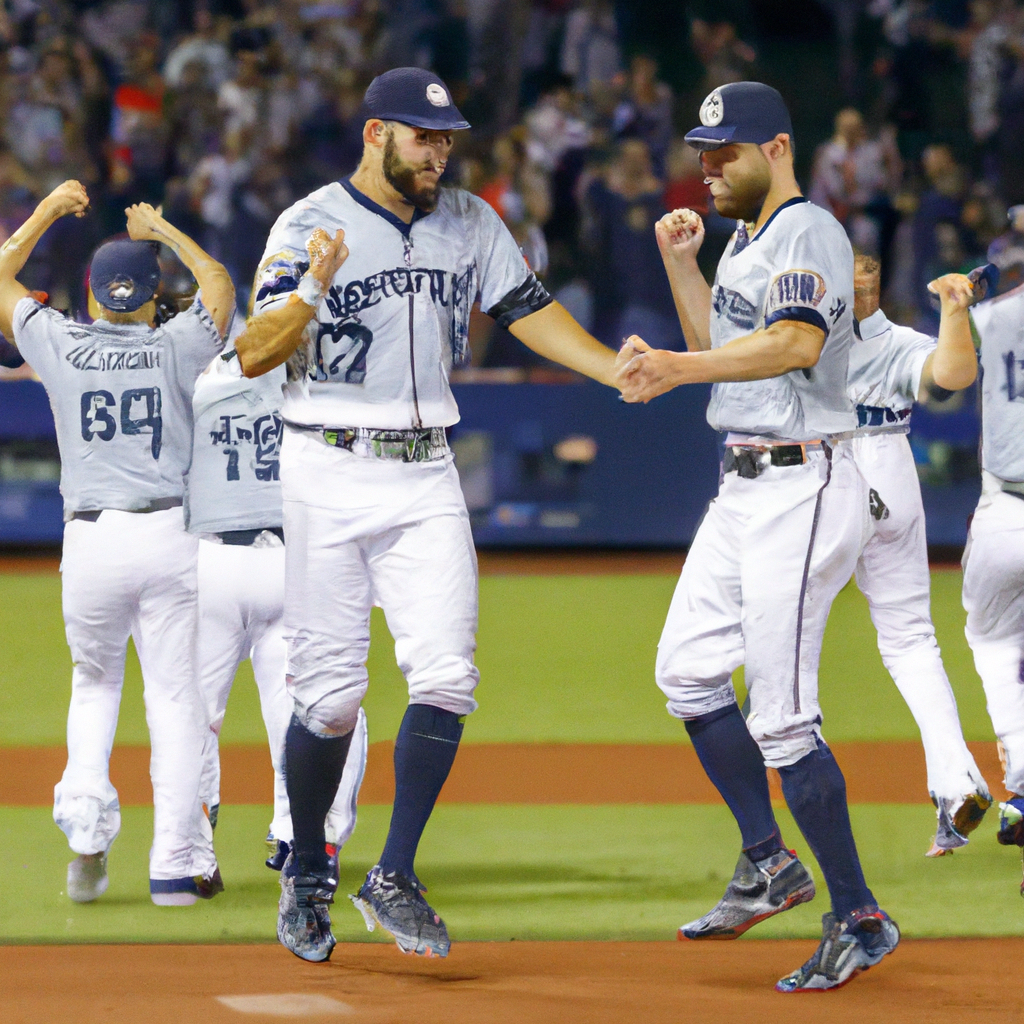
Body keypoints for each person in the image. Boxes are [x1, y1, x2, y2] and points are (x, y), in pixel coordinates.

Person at [232, 68, 628, 963]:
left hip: (428, 472)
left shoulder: (470, 221)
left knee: (447, 677)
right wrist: (312, 289)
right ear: (377, 134)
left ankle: (396, 873)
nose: (439, 151)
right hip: (326, 466)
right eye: (424, 136)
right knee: (329, 702)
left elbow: (527, 309)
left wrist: (611, 371)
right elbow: (254, 352)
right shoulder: (306, 225)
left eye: (447, 137)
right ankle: (304, 875)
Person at [619, 81, 900, 992]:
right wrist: (682, 273)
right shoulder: (745, 238)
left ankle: (857, 915)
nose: (707, 168)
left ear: (777, 148)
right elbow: (728, 348)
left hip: (804, 480)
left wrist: (674, 364)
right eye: (701, 153)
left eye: (724, 152)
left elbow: (794, 345)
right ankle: (768, 863)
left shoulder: (810, 229)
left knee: (781, 716)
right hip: (743, 483)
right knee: (687, 670)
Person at [0, 182, 235, 905]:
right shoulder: (176, 343)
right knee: (173, 700)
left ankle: (86, 838)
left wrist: (42, 213)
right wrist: (163, 229)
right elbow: (222, 288)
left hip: (92, 540)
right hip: (170, 533)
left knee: (94, 685)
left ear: (94, 296)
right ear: (154, 294)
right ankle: (173, 867)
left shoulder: (61, 342)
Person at [186, 343, 369, 870]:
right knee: (315, 704)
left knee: (192, 711)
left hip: (212, 562)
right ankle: (306, 836)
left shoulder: (201, 386)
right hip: (297, 563)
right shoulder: (329, 395)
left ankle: (192, 848)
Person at [848, 254, 990, 855]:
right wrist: (954, 311)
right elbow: (951, 371)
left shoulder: (803, 336)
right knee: (909, 638)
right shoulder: (894, 338)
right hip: (891, 465)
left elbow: (953, 371)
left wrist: (954, 313)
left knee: (781, 629)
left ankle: (770, 750)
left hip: (832, 467)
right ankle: (957, 784)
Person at [963, 261, 1024, 893]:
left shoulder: (997, 315)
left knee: (997, 645)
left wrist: (962, 293)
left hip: (1008, 509)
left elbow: (952, 352)